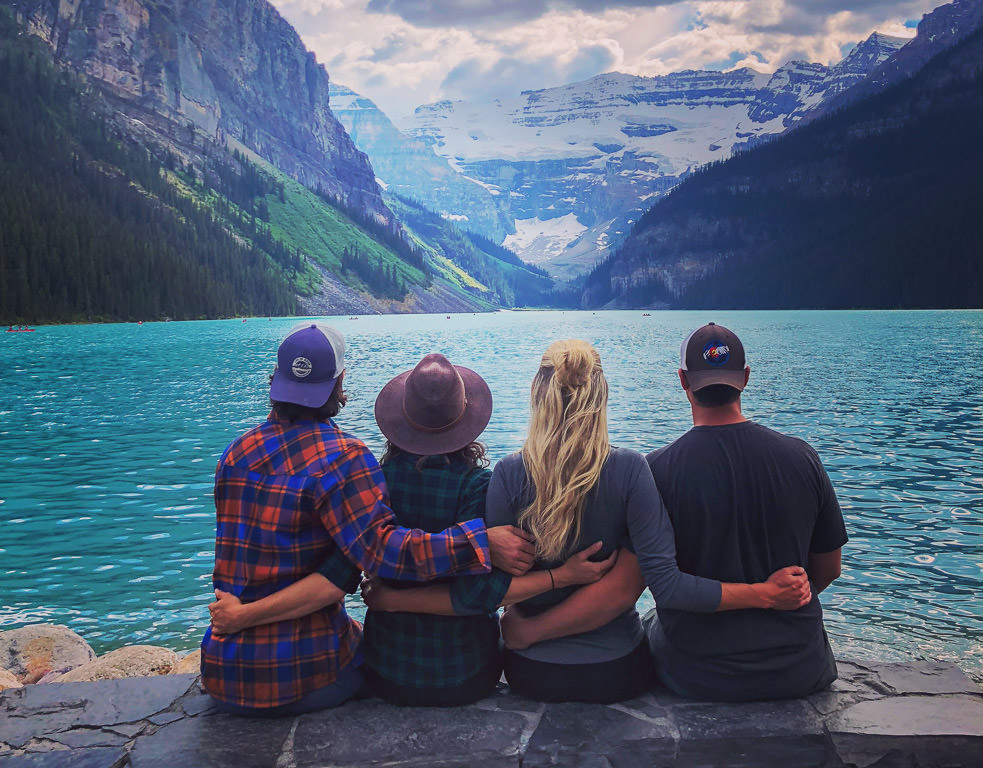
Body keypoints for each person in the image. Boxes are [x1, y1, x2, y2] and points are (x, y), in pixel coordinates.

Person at [365, 339, 811, 704]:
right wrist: (765, 594)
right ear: (602, 395)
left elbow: (489, 591)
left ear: (538, 395)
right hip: (616, 671)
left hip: (529, 672)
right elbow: (659, 586)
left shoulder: (506, 474)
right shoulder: (631, 470)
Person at [212, 352, 614, 707]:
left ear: (400, 420)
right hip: (467, 676)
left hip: (389, 673)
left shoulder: (372, 477)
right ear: (467, 420)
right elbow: (481, 594)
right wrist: (553, 575)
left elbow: (344, 570)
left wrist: (388, 600)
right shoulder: (479, 486)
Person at [505, 325, 847, 702]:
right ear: (746, 378)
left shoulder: (658, 470)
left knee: (652, 623)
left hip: (697, 672)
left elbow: (647, 586)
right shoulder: (803, 458)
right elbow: (829, 569)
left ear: (683, 380)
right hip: (801, 668)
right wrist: (778, 598)